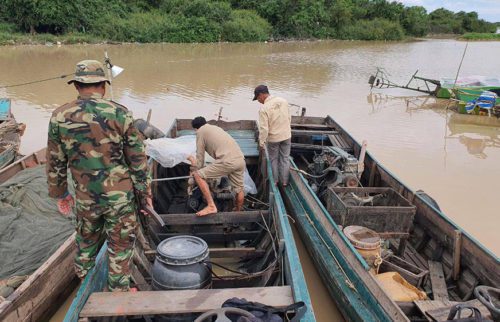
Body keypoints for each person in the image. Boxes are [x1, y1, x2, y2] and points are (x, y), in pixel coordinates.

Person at [46, 60, 151, 292]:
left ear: (77, 86)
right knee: (120, 247)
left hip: (86, 198)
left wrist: (61, 194)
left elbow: (54, 161)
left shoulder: (59, 116)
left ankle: (85, 282)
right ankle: (118, 294)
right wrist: (145, 195)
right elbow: (137, 160)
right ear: (103, 85)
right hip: (120, 198)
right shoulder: (120, 113)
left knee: (85, 242)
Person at [187, 117, 245, 216]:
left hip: (227, 161)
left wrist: (194, 171)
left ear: (196, 129)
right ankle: (238, 213)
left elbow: (200, 158)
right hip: (240, 160)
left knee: (198, 175)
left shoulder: (200, 132)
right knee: (239, 189)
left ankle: (211, 206)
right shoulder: (215, 128)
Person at [253, 85, 291, 187]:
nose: (258, 101)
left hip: (274, 138)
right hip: (287, 135)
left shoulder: (264, 109)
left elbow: (264, 129)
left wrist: (261, 143)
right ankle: (284, 182)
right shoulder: (283, 101)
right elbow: (289, 118)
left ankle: (275, 181)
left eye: (257, 98)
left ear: (261, 95)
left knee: (273, 159)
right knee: (285, 158)